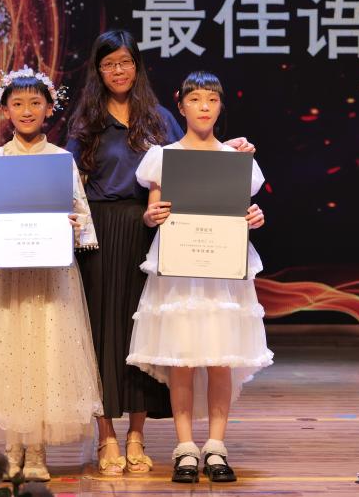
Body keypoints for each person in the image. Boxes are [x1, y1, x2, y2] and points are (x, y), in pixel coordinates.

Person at [65, 31, 253, 476]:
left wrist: (233, 151)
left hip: (153, 233)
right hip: (99, 233)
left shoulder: (159, 118)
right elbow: (67, 177)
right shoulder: (86, 120)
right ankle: (106, 435)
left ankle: (137, 433)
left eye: (125, 62)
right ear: (98, 70)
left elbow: (195, 161)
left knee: (143, 334)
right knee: (101, 332)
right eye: (109, 64)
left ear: (137, 66)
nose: (118, 71)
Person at [0, 67, 102, 482]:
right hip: (4, 275)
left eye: (35, 103)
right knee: (7, 354)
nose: (27, 110)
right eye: (18, 104)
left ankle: (37, 451)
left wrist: (73, 225)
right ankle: (13, 446)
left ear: (49, 109)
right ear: (6, 111)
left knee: (45, 354)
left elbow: (82, 216)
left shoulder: (61, 160)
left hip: (49, 275)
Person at [126, 70, 273, 484]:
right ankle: (186, 447)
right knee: (184, 359)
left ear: (221, 106)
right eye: (195, 99)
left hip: (223, 270)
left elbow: (245, 209)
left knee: (221, 357)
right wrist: (151, 216)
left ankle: (217, 446)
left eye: (211, 99)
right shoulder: (164, 157)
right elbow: (152, 209)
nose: (203, 107)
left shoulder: (236, 159)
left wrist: (255, 217)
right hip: (180, 267)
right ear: (181, 105)